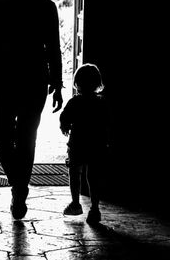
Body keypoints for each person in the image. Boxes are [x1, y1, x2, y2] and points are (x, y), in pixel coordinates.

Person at [0, 0, 63, 219]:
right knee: (27, 136)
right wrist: (57, 83)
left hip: (4, 75)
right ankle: (20, 185)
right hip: (35, 76)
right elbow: (54, 45)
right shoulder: (45, 5)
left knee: (1, 136)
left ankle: (18, 184)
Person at [60, 63, 109, 225]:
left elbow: (64, 119)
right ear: (97, 83)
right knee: (93, 177)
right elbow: (107, 124)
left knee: (75, 174)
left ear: (77, 83)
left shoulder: (74, 102)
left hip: (77, 144)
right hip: (96, 145)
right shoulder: (101, 103)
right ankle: (95, 208)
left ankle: (75, 203)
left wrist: (66, 127)